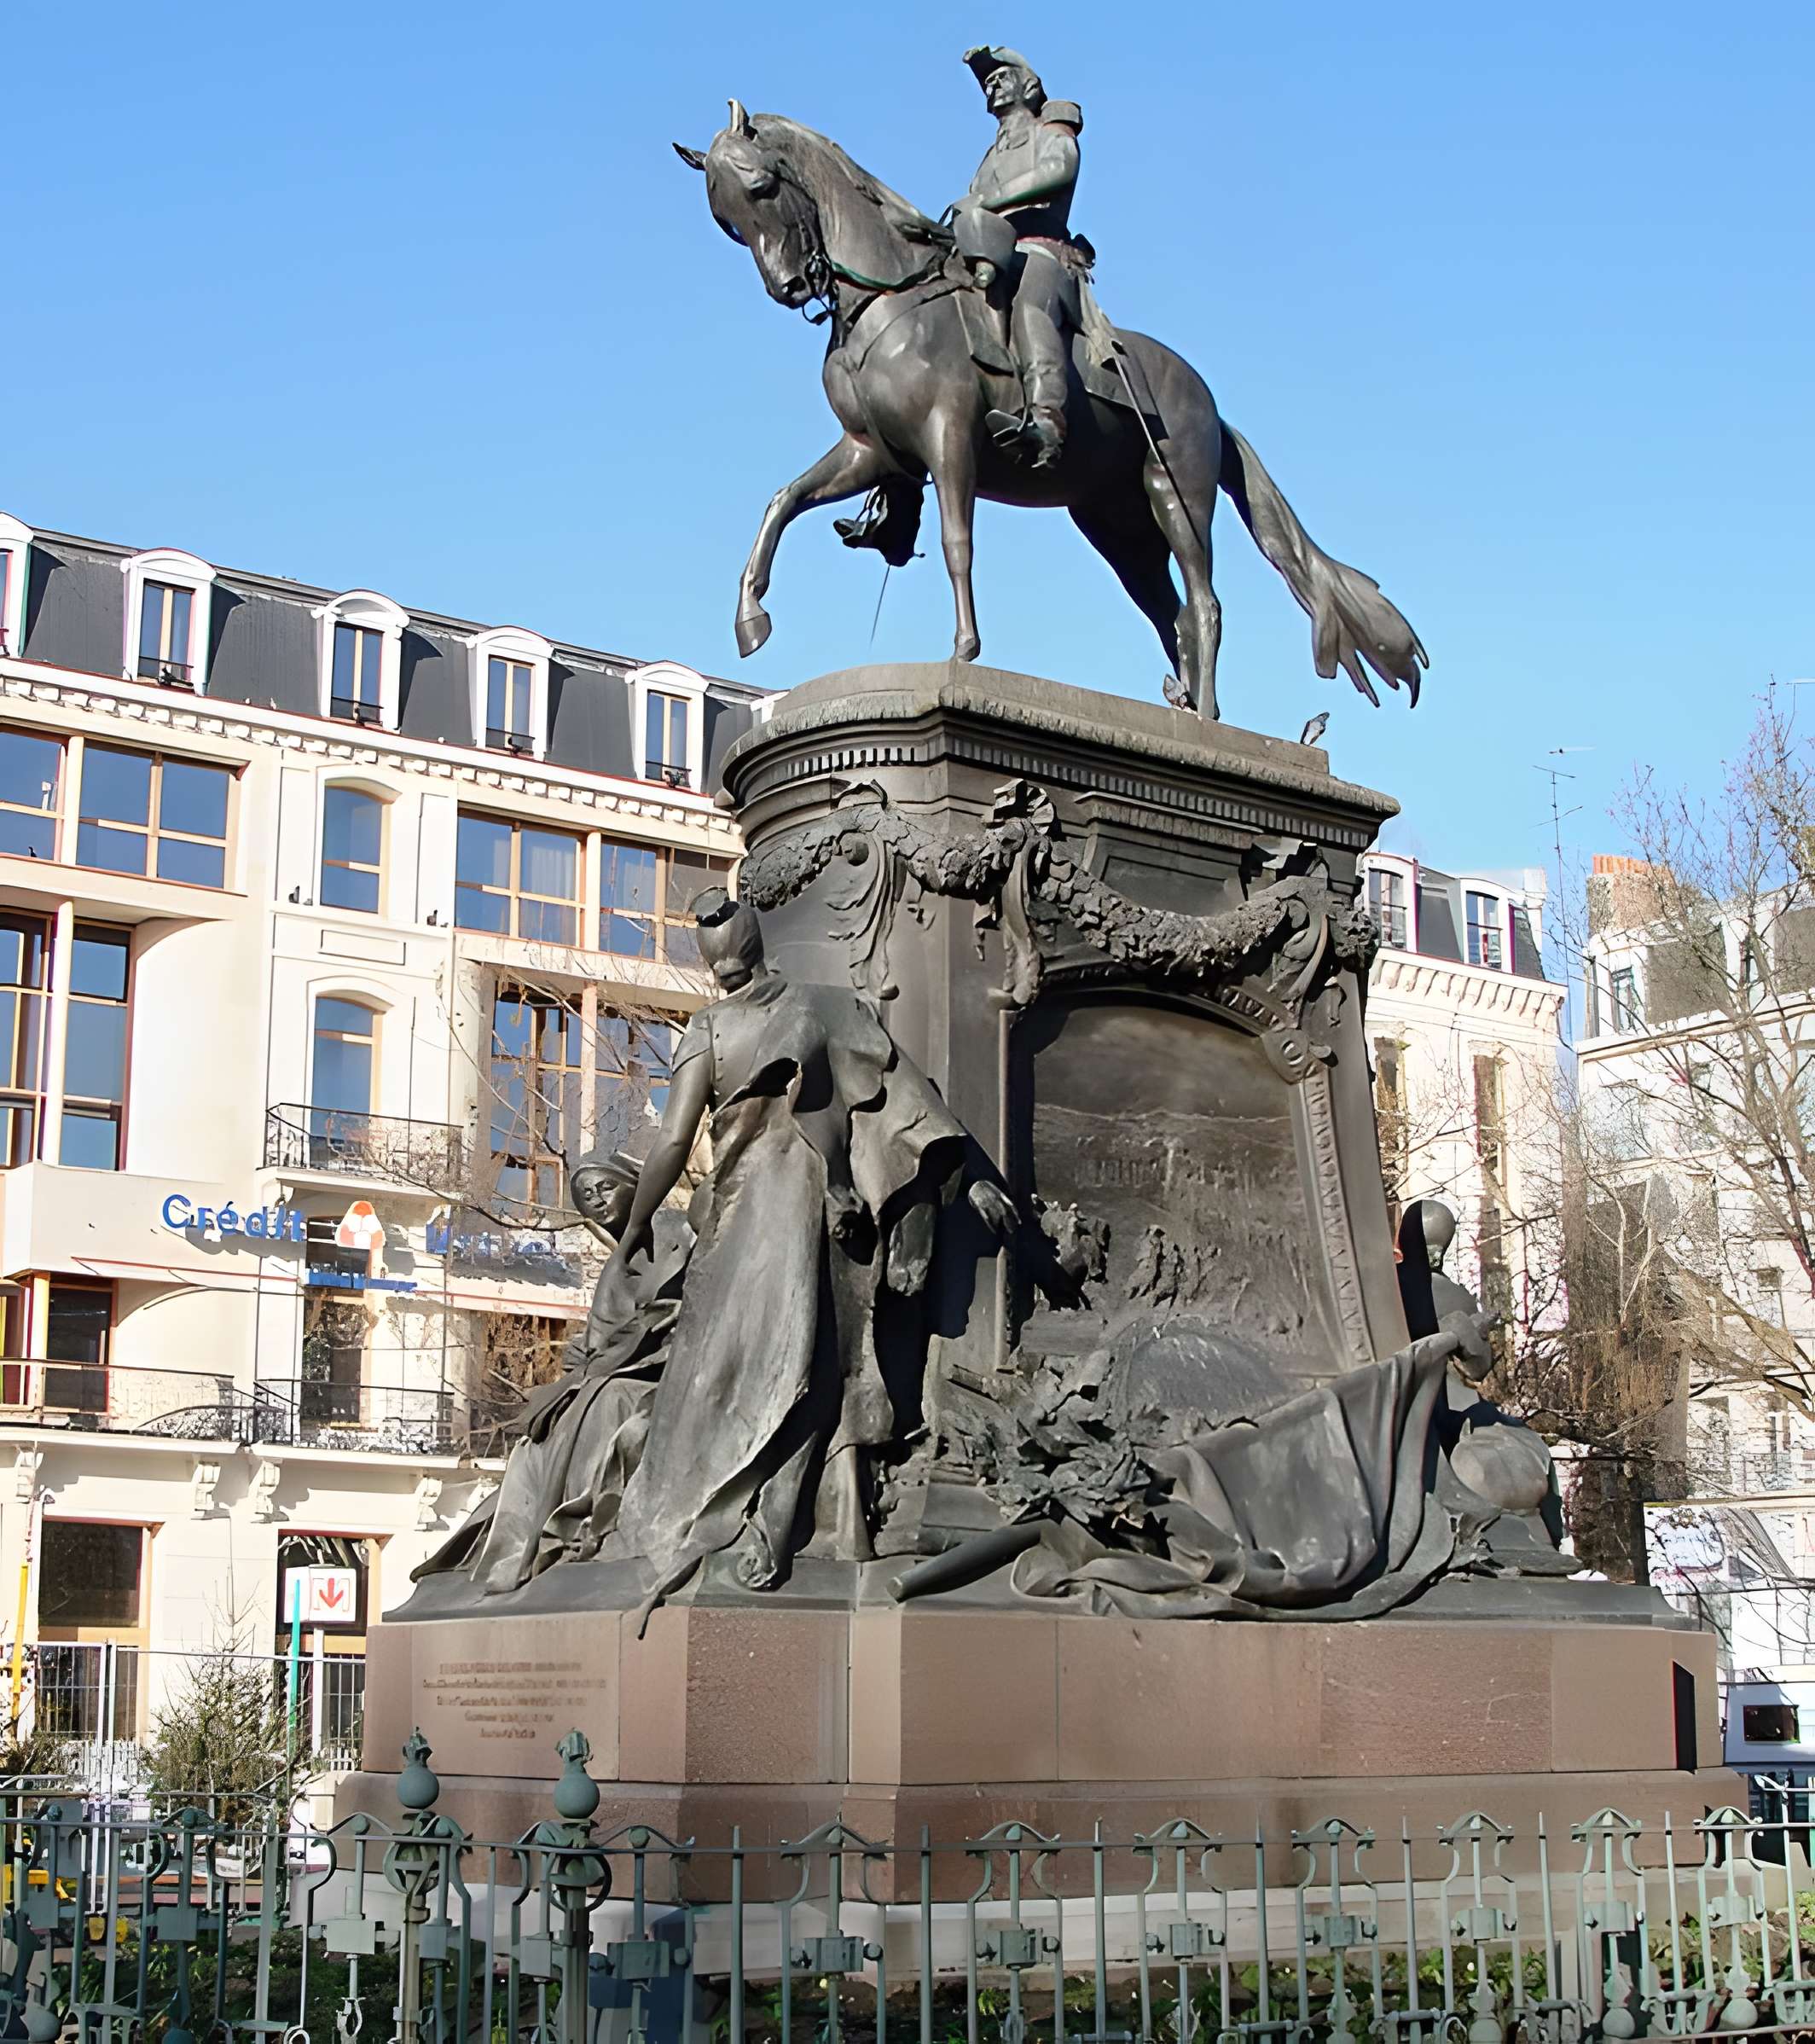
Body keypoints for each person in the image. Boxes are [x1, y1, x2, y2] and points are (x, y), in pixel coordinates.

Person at [608, 888, 1012, 1608]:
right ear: (760, 943)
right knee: (808, 1368)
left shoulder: (710, 1029)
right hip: (819, 1212)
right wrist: (970, 1176)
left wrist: (636, 1225)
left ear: (712, 964)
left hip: (749, 1218)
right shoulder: (830, 1007)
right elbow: (906, 1103)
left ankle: (717, 1518)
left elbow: (672, 1143)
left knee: (724, 1371)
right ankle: (771, 1519)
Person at [411, 1147, 692, 1593]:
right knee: (539, 1438)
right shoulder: (617, 1263)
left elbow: (676, 1309)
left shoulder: (677, 1231)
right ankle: (525, 1544)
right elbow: (596, 1338)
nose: (597, 1200)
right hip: (618, 1368)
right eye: (586, 1196)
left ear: (637, 1187)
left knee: (608, 1400)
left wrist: (601, 1363)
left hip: (667, 1367)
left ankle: (579, 1528)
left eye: (606, 1187)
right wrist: (578, 1367)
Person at [950, 46, 1084, 470]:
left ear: (1029, 87)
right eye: (987, 83)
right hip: (992, 256)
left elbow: (1059, 170)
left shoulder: (1051, 132)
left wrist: (986, 200)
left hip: (1041, 250)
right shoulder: (989, 157)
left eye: (1001, 77)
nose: (992, 86)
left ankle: (1047, 420)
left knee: (1030, 305)